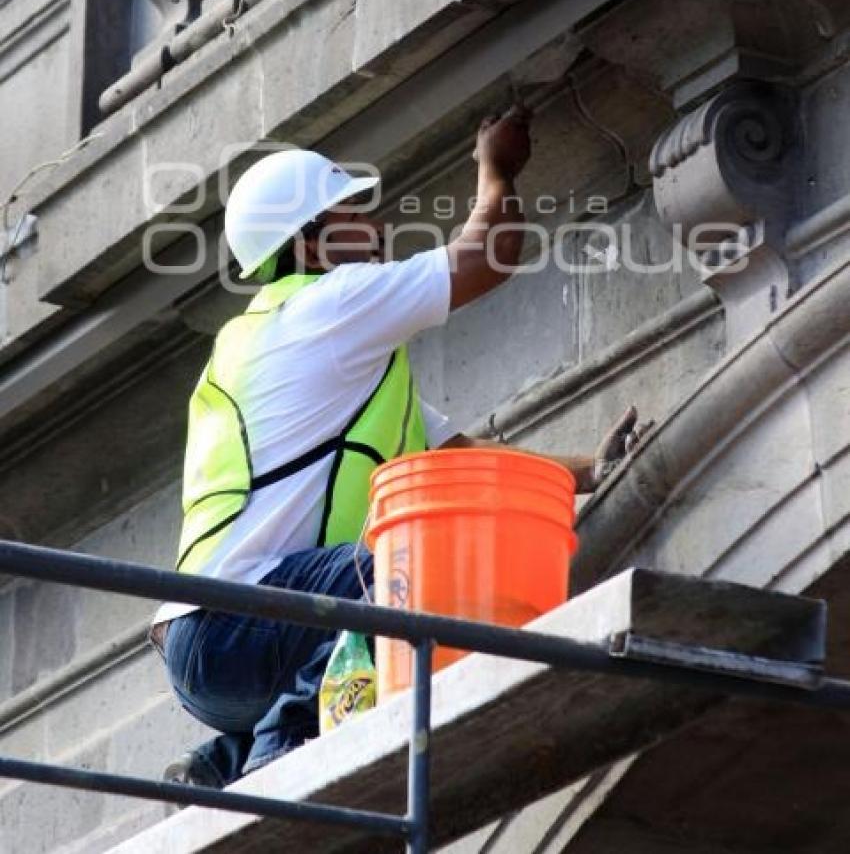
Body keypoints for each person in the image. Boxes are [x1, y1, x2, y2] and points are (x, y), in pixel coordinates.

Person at [152, 107, 640, 787]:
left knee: (389, 587)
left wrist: (592, 468)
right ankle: (273, 751)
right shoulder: (326, 307)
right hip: (240, 624)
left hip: (213, 649)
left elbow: (467, 461)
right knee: (411, 571)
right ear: (315, 247)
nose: (378, 231)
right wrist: (495, 169)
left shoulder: (305, 354)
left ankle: (223, 761)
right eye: (355, 216)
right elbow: (485, 256)